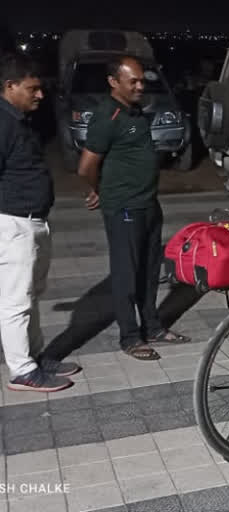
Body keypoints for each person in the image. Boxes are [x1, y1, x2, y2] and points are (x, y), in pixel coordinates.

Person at [74, 55, 190, 361]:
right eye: (133, 81)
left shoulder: (134, 112)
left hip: (148, 203)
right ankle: (129, 337)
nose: (141, 86)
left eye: (142, 80)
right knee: (127, 274)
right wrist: (99, 189)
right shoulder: (106, 116)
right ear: (114, 82)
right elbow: (86, 166)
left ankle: (153, 327)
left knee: (150, 272)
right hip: (124, 207)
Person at [0, 53, 80, 391]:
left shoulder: (18, 120)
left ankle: (33, 357)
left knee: (31, 296)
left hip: (32, 222)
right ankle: (21, 370)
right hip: (13, 223)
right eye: (33, 88)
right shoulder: (2, 123)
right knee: (15, 300)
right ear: (10, 86)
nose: (40, 95)